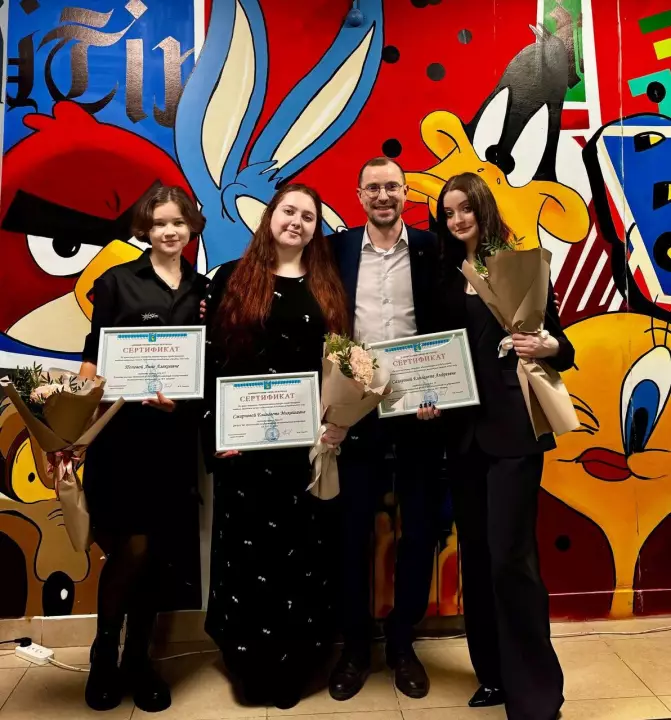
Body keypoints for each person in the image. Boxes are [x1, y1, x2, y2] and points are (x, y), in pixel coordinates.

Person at [203, 183, 350, 709]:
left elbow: (342, 364)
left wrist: (339, 421)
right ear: (270, 217)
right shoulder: (230, 278)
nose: (297, 222)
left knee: (302, 557)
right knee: (246, 558)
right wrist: (213, 432)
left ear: (315, 230)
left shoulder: (328, 287)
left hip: (305, 451)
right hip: (243, 450)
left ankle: (296, 667)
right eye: (289, 211)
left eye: (308, 217)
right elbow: (210, 360)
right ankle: (249, 668)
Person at [434, 172, 570, 720]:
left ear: (483, 209)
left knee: (512, 558)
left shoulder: (518, 266)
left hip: (514, 433)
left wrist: (545, 345)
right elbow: (434, 352)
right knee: (477, 557)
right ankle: (492, 675)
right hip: (461, 436)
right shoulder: (444, 276)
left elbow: (564, 347)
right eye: (448, 213)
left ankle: (534, 692)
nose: (457, 220)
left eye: (465, 208)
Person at [80, 185, 209, 712]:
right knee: (129, 548)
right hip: (122, 439)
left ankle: (139, 658)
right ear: (145, 230)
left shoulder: (204, 290)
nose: (169, 231)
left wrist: (185, 399)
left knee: (158, 553)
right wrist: (76, 423)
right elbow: (93, 355)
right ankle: (104, 655)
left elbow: (207, 363)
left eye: (177, 222)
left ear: (191, 227)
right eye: (158, 223)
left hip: (173, 440)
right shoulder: (116, 282)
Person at [328, 157, 445, 701]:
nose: (382, 195)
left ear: (405, 193)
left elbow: (451, 318)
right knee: (351, 533)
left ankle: (402, 642)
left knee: (419, 532)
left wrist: (442, 390)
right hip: (356, 412)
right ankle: (355, 647)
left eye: (391, 187)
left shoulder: (431, 248)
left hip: (420, 411)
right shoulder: (336, 250)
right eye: (372, 187)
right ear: (358, 195)